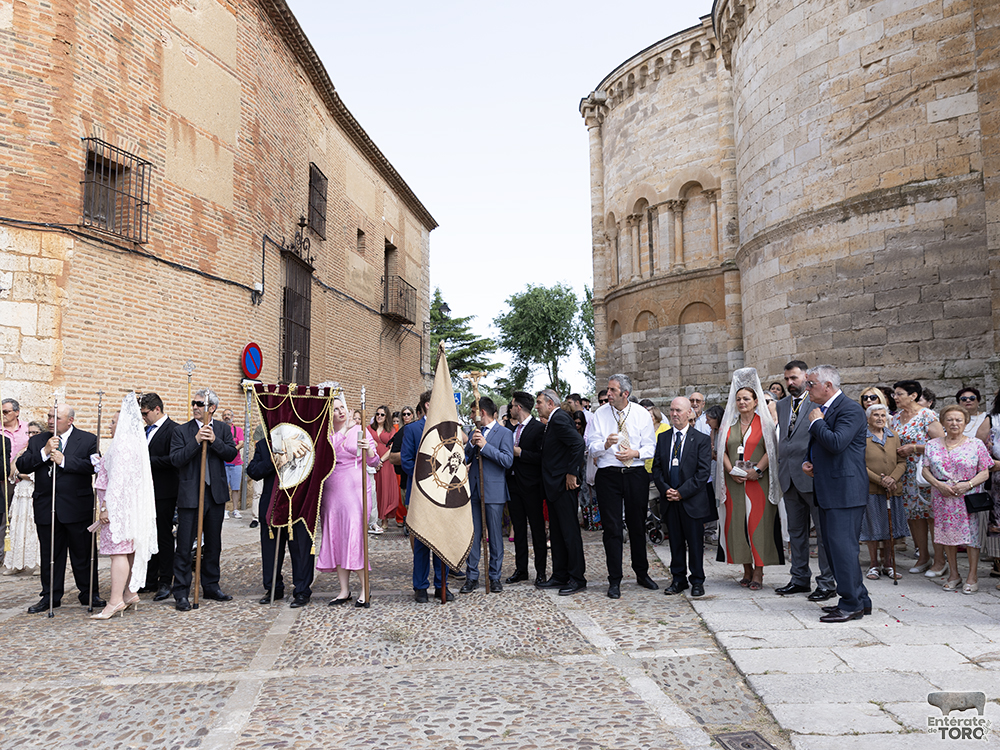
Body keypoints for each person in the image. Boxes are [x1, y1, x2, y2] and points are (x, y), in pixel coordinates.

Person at [17, 403, 103, 613]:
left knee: (82, 553)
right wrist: (44, 452)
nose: (50, 421)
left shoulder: (88, 439)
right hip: (47, 506)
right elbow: (23, 465)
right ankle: (50, 596)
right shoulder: (38, 440)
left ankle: (89, 593)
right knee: (50, 555)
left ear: (70, 421)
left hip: (77, 507)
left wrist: (65, 461)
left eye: (56, 418)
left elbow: (94, 467)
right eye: (49, 417)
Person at [801, 364, 871, 623]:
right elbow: (821, 446)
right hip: (829, 488)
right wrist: (809, 462)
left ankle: (851, 604)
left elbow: (836, 442)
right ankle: (859, 598)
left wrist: (817, 422)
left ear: (827, 386)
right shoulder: (825, 409)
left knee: (843, 549)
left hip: (845, 491)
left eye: (810, 384)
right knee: (835, 549)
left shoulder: (850, 409)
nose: (806, 388)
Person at [587, 374, 659, 598]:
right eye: (608, 390)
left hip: (635, 472)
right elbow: (590, 445)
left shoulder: (640, 414)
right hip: (608, 475)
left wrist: (635, 452)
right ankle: (614, 579)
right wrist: (604, 444)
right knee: (612, 528)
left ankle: (642, 572)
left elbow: (651, 446)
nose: (607, 394)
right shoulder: (600, 414)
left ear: (624, 394)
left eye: (612, 390)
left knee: (637, 524)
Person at [169, 388, 238, 611]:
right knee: (185, 543)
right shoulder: (182, 431)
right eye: (194, 404)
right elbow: (176, 459)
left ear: (212, 408)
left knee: (213, 544)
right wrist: (197, 441)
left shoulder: (223, 429)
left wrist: (215, 441)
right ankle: (181, 591)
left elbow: (230, 454)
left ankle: (211, 585)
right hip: (190, 495)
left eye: (200, 404)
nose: (196, 407)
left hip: (215, 494)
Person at [91, 395, 157, 620]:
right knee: (127, 550)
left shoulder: (120, 447)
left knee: (117, 553)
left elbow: (117, 481)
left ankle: (114, 600)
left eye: (113, 421)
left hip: (118, 508)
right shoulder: (134, 446)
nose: (109, 425)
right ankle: (129, 593)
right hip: (130, 508)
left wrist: (105, 507)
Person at [773, 360, 835, 601]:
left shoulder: (817, 401)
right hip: (788, 476)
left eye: (794, 378)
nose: (790, 383)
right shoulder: (781, 405)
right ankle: (799, 578)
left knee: (822, 533)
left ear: (806, 377)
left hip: (811, 476)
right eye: (787, 379)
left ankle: (827, 582)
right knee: (795, 532)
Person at [715, 368, 782, 591]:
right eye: (738, 399)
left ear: (755, 401)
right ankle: (745, 568)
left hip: (758, 483)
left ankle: (759, 571)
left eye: (746, 399)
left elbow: (771, 451)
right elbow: (721, 450)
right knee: (737, 525)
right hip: (734, 482)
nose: (742, 402)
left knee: (758, 524)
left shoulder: (764, 424)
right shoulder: (728, 425)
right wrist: (731, 471)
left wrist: (758, 471)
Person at [922, 404, 993, 594]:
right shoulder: (932, 445)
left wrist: (967, 485)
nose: (954, 423)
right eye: (950, 419)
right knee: (947, 536)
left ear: (965, 422)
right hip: (943, 496)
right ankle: (954, 574)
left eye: (958, 420)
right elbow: (925, 470)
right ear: (943, 422)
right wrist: (938, 485)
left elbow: (985, 472)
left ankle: (972, 575)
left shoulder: (976, 444)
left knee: (972, 538)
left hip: (968, 496)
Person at [315, 394, 379, 606]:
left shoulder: (361, 430)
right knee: (337, 537)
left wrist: (368, 449)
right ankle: (344, 590)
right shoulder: (326, 433)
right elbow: (325, 452)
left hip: (355, 491)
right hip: (332, 492)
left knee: (354, 538)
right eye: (335, 409)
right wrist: (343, 430)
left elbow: (375, 460)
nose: (341, 411)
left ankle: (365, 588)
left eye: (342, 407)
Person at [652, 397, 713, 597]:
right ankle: (678, 579)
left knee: (695, 543)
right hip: (669, 500)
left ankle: (697, 580)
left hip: (691, 501)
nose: (674, 414)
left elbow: (703, 473)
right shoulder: (663, 438)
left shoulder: (701, 440)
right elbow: (657, 468)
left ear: (689, 413)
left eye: (678, 410)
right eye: (671, 410)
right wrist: (666, 489)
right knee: (675, 542)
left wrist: (682, 492)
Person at [247, 435, 316, 608]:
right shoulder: (265, 445)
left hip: (297, 507)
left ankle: (302, 591)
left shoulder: (304, 441)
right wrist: (273, 461)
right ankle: (273, 588)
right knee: (270, 552)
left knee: (300, 550)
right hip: (272, 506)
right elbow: (253, 471)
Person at [890, 380, 944, 575]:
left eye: (899, 394)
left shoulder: (926, 415)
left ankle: (940, 560)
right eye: (894, 394)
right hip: (906, 472)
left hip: (925, 471)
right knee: (914, 515)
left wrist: (914, 448)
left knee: (931, 515)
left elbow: (940, 444)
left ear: (913, 395)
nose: (895, 397)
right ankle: (923, 557)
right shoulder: (896, 418)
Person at [402, 392, 453, 602]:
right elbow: (406, 461)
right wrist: (429, 478)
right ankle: (420, 586)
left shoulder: (449, 430)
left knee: (442, 542)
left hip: (443, 495)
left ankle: (443, 585)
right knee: (422, 543)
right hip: (420, 494)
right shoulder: (412, 429)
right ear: (428, 404)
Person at [461, 397, 513, 593]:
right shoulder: (475, 432)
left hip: (494, 491)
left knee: (495, 536)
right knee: (473, 535)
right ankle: (472, 576)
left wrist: (486, 446)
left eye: (474, 412)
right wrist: (473, 445)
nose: (472, 416)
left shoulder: (504, 433)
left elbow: (507, 460)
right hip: (474, 489)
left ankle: (494, 576)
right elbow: (467, 454)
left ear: (482, 412)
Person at [536, 389, 586, 595]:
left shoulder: (559, 420)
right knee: (556, 534)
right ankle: (560, 574)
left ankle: (577, 578)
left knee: (569, 533)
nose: (536, 406)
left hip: (564, 486)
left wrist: (572, 473)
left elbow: (578, 443)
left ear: (550, 403)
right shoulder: (552, 422)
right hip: (554, 487)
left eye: (539, 402)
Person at [861, 403, 908, 580]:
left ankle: (888, 563)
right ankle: (873, 564)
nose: (880, 418)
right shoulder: (861, 437)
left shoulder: (893, 436)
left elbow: (902, 462)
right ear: (868, 419)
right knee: (873, 526)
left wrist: (892, 479)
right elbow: (860, 465)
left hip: (892, 488)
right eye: (876, 415)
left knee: (890, 527)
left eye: (883, 415)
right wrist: (880, 480)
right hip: (872, 489)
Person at [139, 393, 179, 601]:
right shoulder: (146, 431)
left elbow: (173, 459)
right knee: (149, 535)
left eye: (146, 413)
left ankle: (166, 580)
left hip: (165, 491)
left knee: (163, 536)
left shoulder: (173, 429)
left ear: (157, 409)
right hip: (146, 491)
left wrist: (146, 461)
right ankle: (150, 578)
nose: (143, 417)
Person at [505, 391, 547, 585]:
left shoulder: (539, 428)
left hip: (532, 486)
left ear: (519, 407)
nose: (510, 409)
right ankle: (521, 569)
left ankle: (541, 572)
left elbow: (542, 458)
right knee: (518, 529)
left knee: (537, 530)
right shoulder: (511, 430)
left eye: (512, 405)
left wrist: (520, 453)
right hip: (513, 485)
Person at [3, 420, 43, 575]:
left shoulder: (43, 452)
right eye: (29, 432)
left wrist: (21, 474)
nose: (31, 435)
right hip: (21, 493)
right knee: (17, 527)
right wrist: (19, 455)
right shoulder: (25, 451)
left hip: (34, 492)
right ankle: (15, 563)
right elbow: (12, 472)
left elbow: (33, 475)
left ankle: (37, 563)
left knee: (32, 527)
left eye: (35, 433)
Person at [2, 397, 30, 567]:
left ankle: (15, 557)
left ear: (16, 412)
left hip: (21, 481)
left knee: (16, 518)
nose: (3, 415)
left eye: (6, 412)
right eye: (1, 412)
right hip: (1, 480)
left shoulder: (28, 429)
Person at [370, 405, 398, 530]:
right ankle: (372, 519)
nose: (379, 416)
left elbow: (392, 448)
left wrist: (380, 460)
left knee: (385, 490)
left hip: (385, 463)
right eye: (377, 414)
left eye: (382, 414)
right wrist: (374, 461)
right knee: (374, 490)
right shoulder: (368, 428)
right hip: (371, 462)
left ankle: (384, 519)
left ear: (386, 417)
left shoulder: (391, 430)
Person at [221, 408, 245, 520]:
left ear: (232, 417)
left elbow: (241, 443)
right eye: (225, 415)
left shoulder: (238, 430)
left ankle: (235, 509)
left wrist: (230, 451)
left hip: (236, 463)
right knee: (224, 488)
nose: (227, 416)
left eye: (228, 414)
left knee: (235, 488)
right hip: (223, 464)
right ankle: (225, 510)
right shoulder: (220, 429)